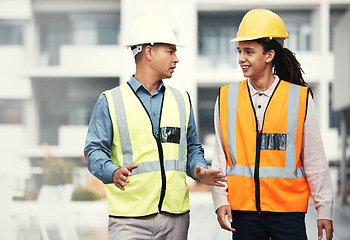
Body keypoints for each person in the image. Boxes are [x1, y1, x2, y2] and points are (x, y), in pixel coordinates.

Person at [84, 16, 226, 240]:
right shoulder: (110, 101)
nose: (176, 59)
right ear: (149, 52)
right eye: (170, 51)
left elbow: (192, 148)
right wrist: (112, 172)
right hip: (128, 219)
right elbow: (93, 151)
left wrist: (198, 168)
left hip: (175, 218)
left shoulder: (182, 100)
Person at [211, 9, 334, 240]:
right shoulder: (227, 97)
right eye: (239, 51)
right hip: (244, 214)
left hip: (288, 214)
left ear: (269, 55)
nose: (241, 59)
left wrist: (323, 209)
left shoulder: (300, 98)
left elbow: (314, 158)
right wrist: (220, 200)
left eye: (249, 52)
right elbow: (221, 157)